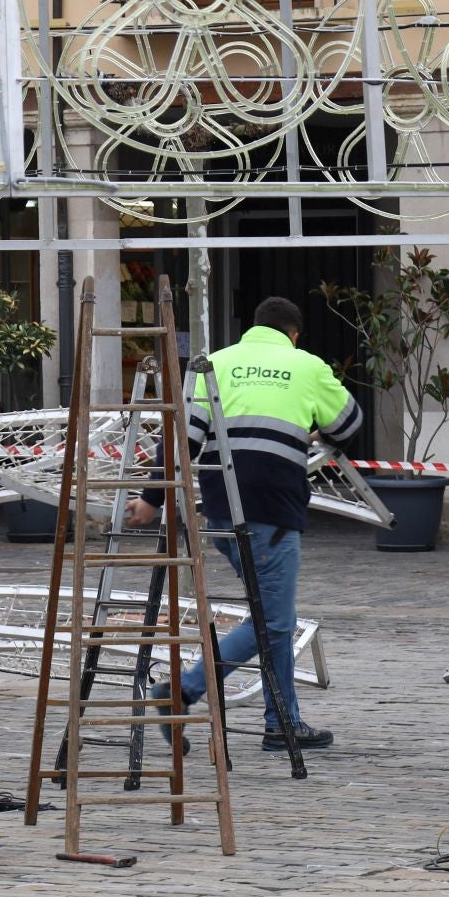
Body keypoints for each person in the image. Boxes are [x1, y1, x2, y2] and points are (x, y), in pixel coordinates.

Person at [128, 295, 363, 752]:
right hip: (272, 507)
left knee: (271, 614)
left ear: (252, 328)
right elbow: (350, 424)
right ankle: (181, 691)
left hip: (222, 506)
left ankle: (282, 722)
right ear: (294, 333)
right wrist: (316, 431)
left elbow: (183, 438)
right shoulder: (306, 365)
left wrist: (154, 498)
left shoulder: (214, 363)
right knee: (273, 621)